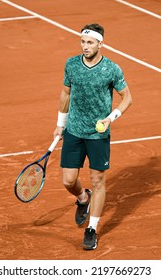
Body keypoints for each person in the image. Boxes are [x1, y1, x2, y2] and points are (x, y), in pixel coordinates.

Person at [53, 23, 132, 250]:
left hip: (98, 135)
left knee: (98, 181)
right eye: (83, 41)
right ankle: (83, 198)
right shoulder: (71, 65)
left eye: (90, 42)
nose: (85, 46)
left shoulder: (111, 69)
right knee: (68, 180)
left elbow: (127, 98)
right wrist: (60, 124)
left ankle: (92, 229)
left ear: (100, 44)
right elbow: (65, 93)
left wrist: (110, 118)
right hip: (74, 130)